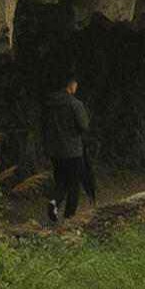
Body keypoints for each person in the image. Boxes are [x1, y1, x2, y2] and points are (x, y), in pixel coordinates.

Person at [42, 75, 94, 224]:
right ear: (71, 85)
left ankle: (54, 202)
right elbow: (84, 126)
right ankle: (69, 217)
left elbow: (45, 125)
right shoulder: (75, 104)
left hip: (55, 150)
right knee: (74, 184)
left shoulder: (50, 104)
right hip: (73, 151)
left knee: (60, 181)